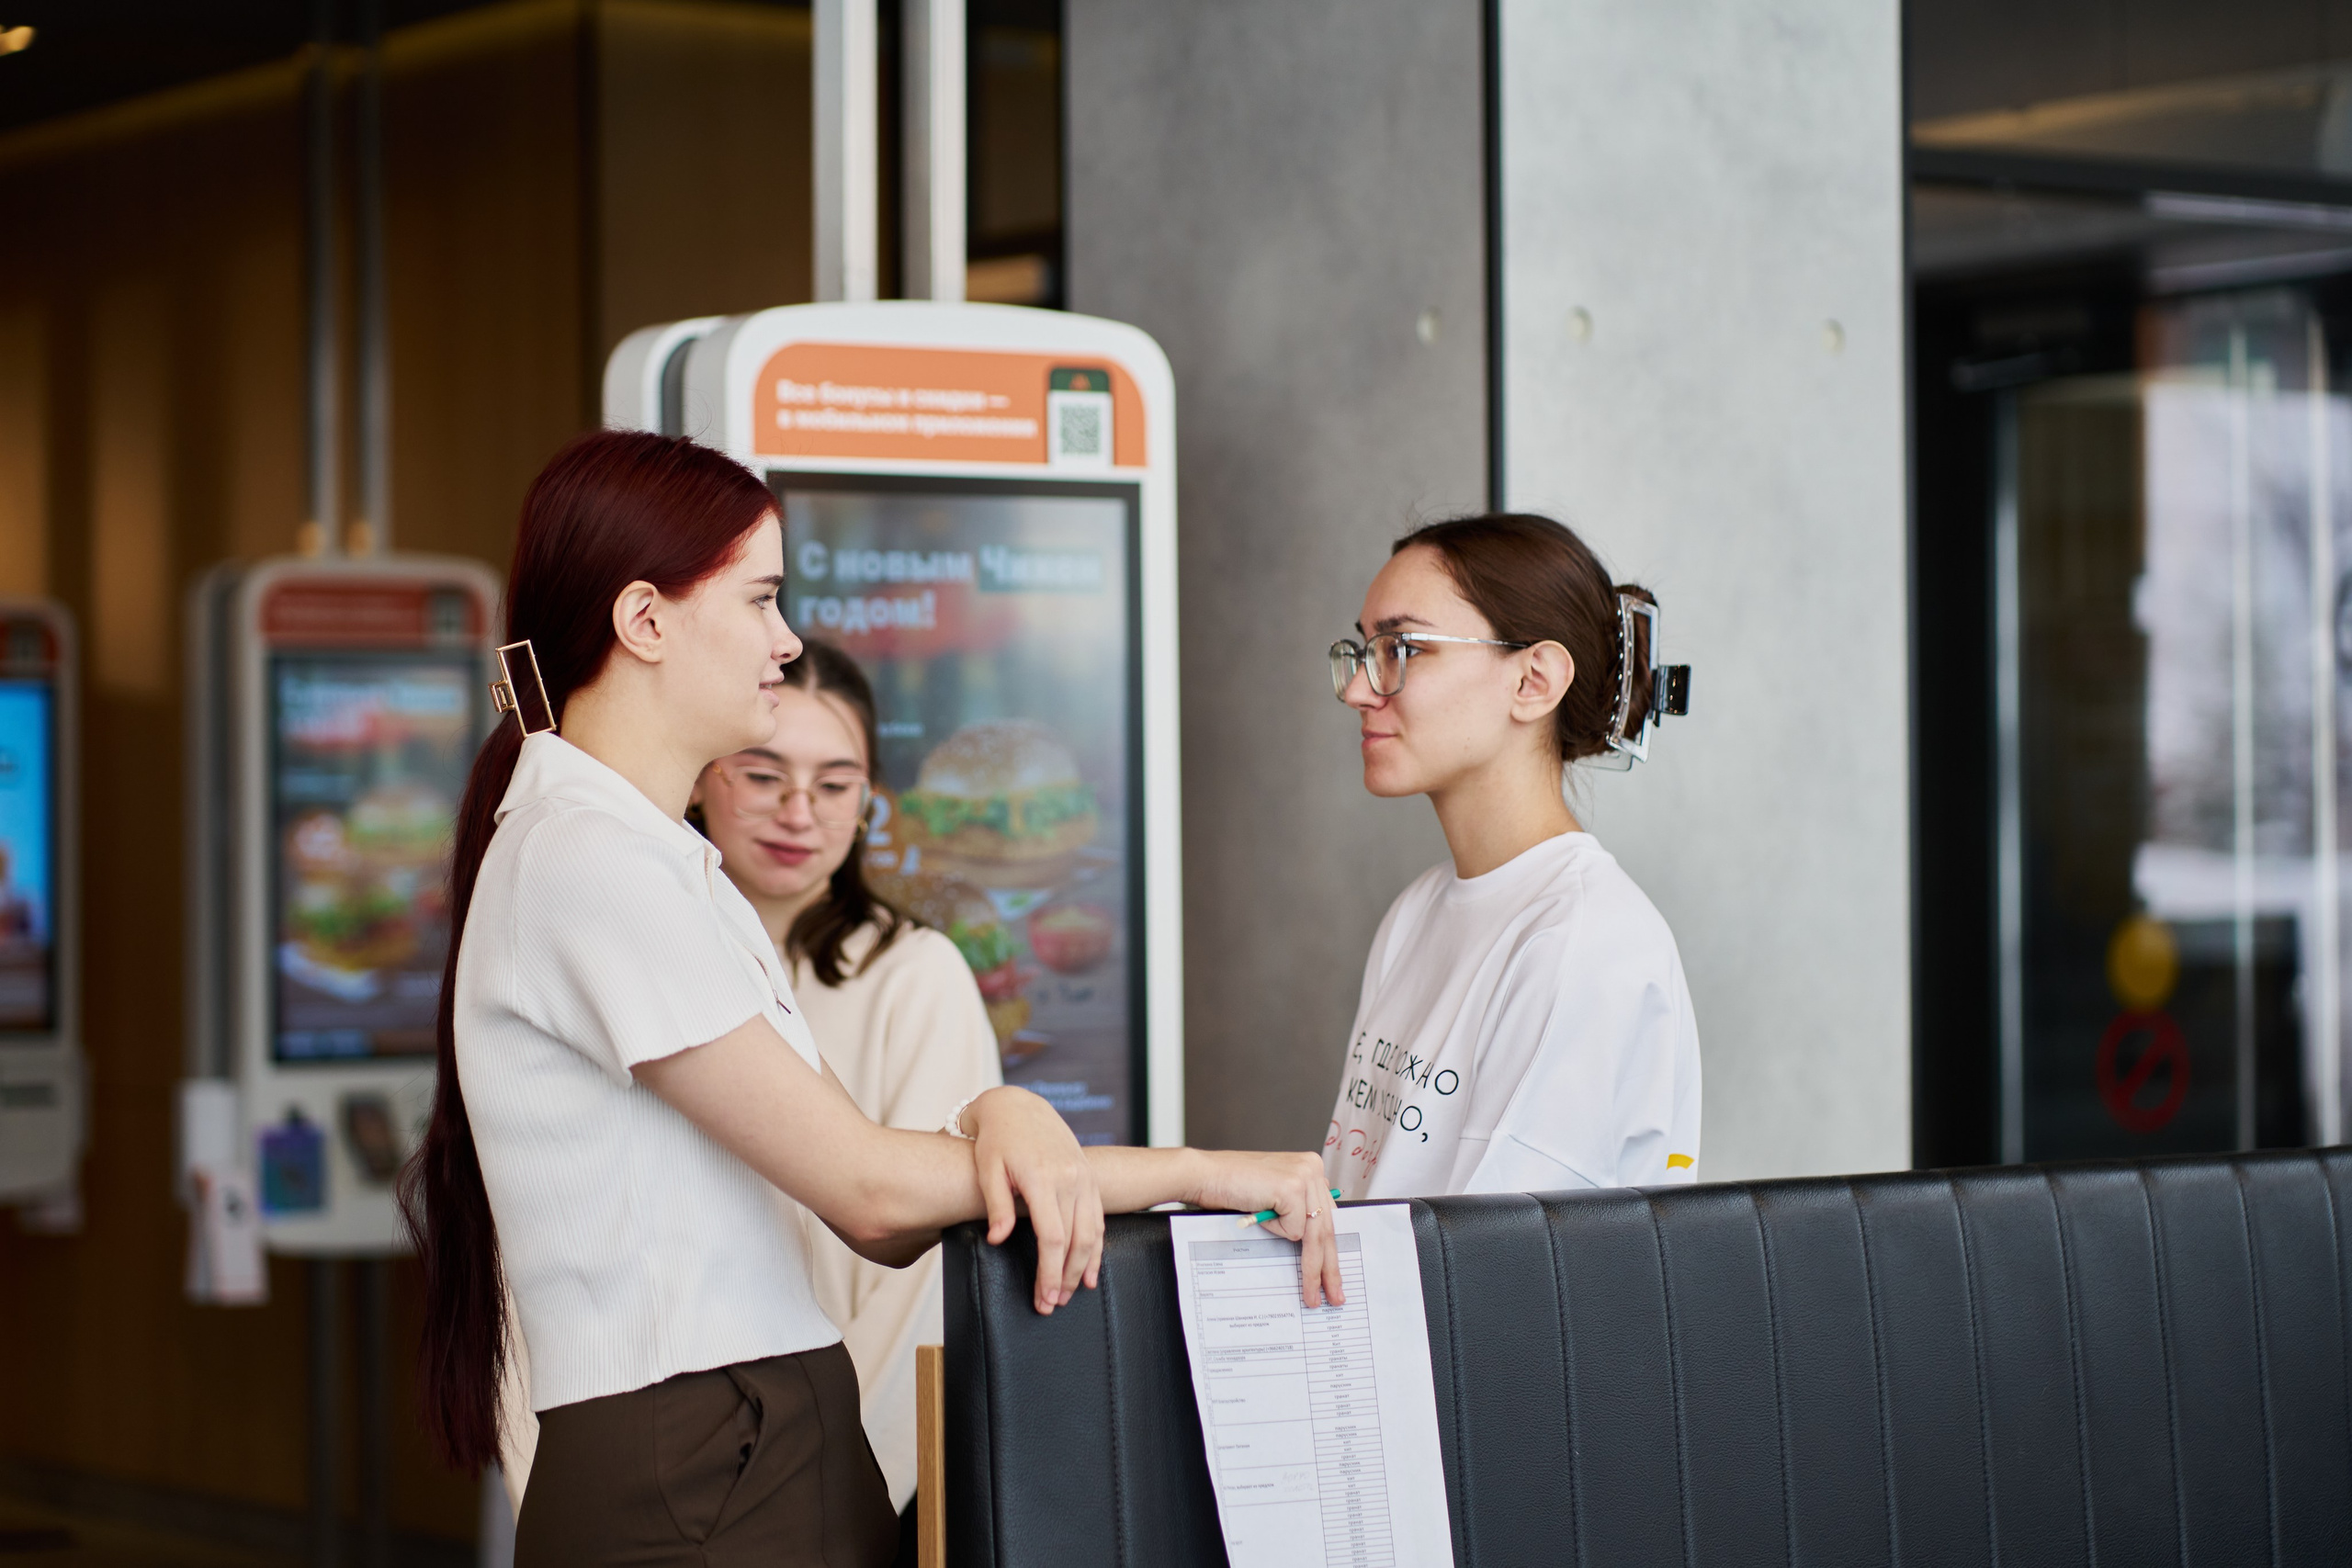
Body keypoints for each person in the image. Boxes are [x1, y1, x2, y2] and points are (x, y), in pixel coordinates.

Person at [403, 429, 1340, 1568]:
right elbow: (869, 1191)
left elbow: (881, 1222)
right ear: (644, 619)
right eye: (759, 600)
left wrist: (996, 1116)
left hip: (745, 1442)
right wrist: (1198, 1175)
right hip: (701, 1464)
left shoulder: (644, 858)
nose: (786, 640)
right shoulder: (586, 859)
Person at [492, 641, 1001, 1562]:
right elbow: (544, 1237)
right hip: (645, 1477)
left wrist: (828, 1485)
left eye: (836, 785)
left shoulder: (914, 976)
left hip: (818, 1487)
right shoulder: (597, 913)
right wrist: (553, 1466)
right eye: (763, 776)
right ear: (701, 778)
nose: (798, 812)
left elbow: (917, 1275)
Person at [1322, 512, 1701, 1201]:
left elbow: (1507, 1258)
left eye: (1403, 648)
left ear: (1534, 680)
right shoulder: (1415, 913)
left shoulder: (1587, 941)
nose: (1357, 689)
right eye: (1365, 650)